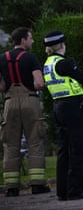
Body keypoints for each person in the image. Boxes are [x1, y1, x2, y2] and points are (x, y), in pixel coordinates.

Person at [42, 30, 83, 200]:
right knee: (78, 149)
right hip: (72, 107)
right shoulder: (63, 63)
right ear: (62, 45)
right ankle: (75, 189)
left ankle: (63, 190)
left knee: (63, 150)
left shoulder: (48, 63)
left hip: (59, 106)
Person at [0, 27, 51, 197]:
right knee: (35, 142)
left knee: (10, 144)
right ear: (23, 40)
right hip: (30, 101)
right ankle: (37, 185)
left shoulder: (2, 58)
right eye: (30, 38)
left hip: (10, 103)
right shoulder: (30, 58)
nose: (33, 41)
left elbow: (0, 86)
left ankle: (11, 188)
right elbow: (39, 83)